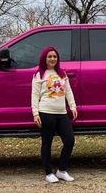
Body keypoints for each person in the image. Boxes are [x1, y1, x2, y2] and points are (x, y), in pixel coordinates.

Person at [31, 46, 78, 183]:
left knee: (69, 140)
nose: (52, 59)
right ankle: (48, 173)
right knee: (47, 143)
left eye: (55, 56)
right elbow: (34, 96)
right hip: (46, 112)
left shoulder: (62, 73)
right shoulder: (39, 74)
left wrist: (72, 106)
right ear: (44, 59)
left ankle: (62, 170)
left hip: (62, 113)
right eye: (49, 56)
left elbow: (68, 91)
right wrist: (35, 114)